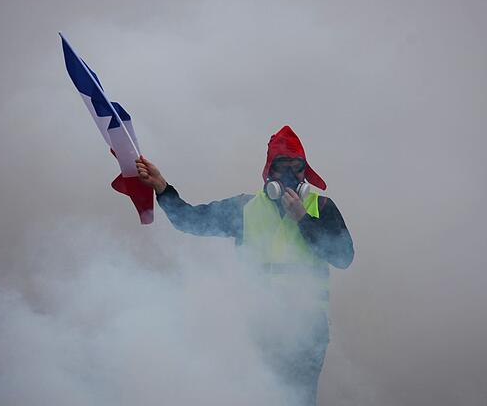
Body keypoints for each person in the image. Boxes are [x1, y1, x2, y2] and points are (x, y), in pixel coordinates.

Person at [135, 125, 354, 405]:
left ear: (305, 172)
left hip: (306, 335)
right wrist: (162, 187)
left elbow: (343, 257)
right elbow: (189, 220)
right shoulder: (244, 208)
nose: (289, 174)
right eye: (281, 166)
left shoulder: (320, 207)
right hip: (259, 331)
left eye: (297, 167)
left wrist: (303, 219)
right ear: (269, 172)